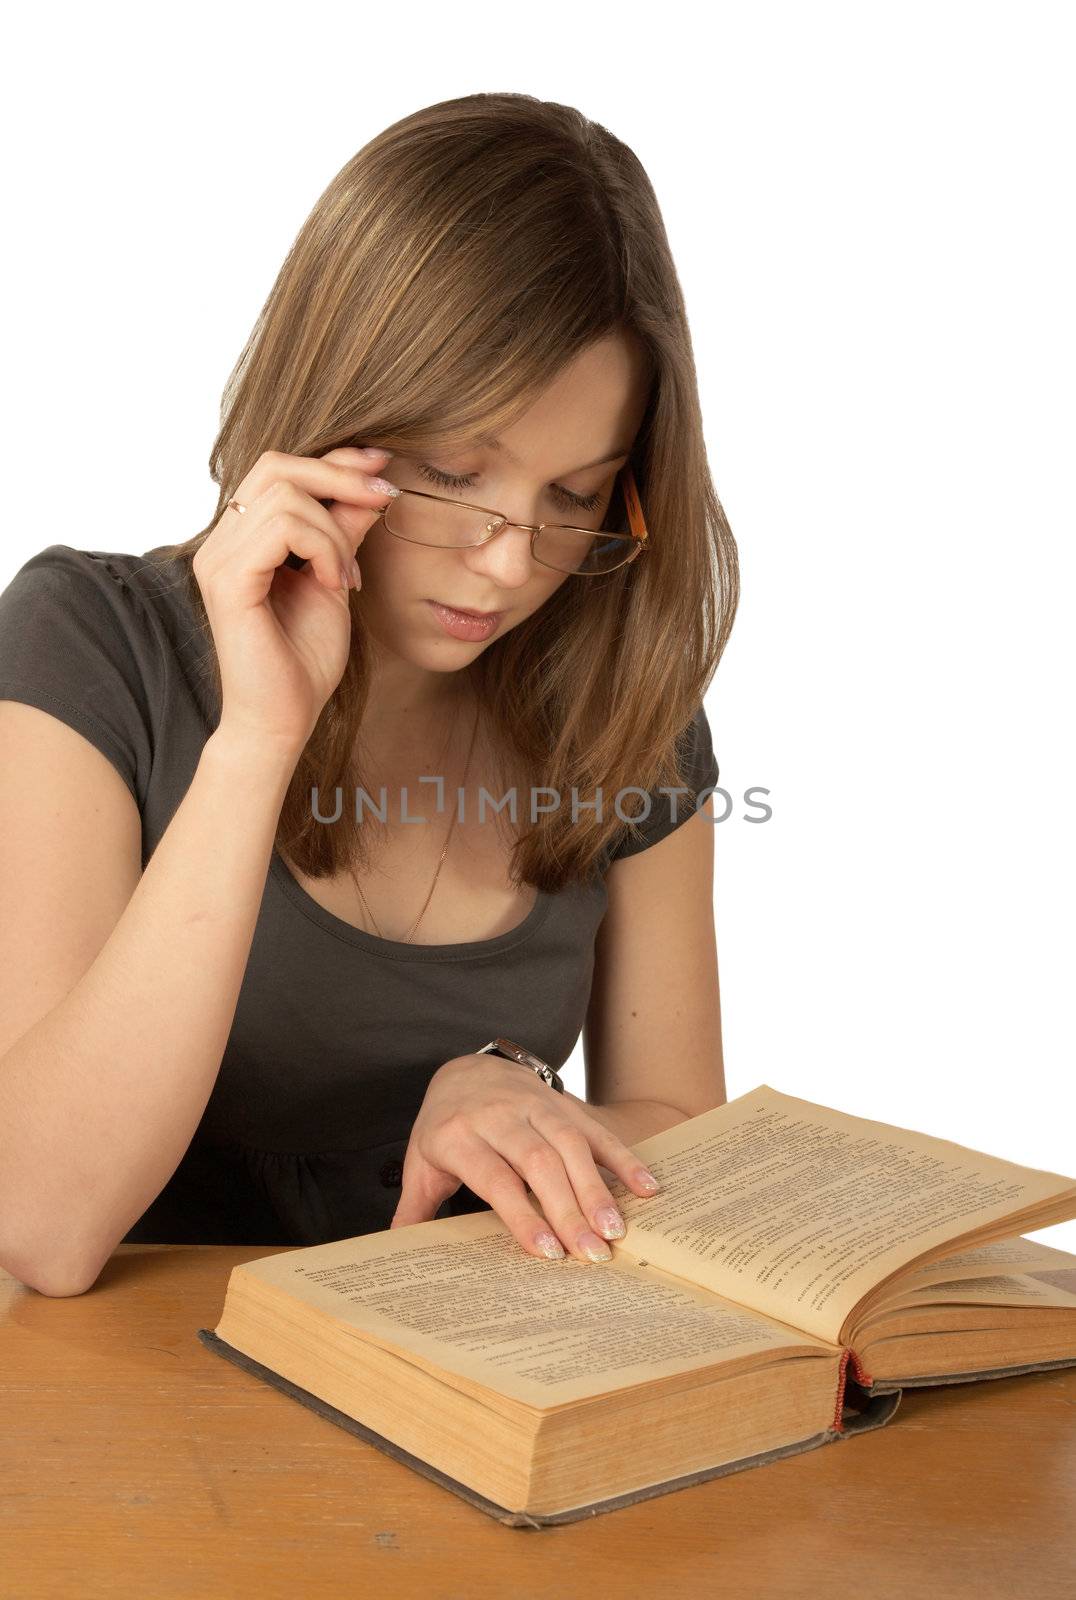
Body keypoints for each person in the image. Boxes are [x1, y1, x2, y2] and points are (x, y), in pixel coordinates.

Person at [0, 91, 738, 1297]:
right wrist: (257, 736)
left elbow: (680, 1131)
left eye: (575, 495)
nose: (509, 563)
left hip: (461, 1395)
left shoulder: (625, 710)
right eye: (453, 475)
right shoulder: (88, 646)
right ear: (333, 416)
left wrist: (504, 1091)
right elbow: (38, 1223)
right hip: (135, 1433)